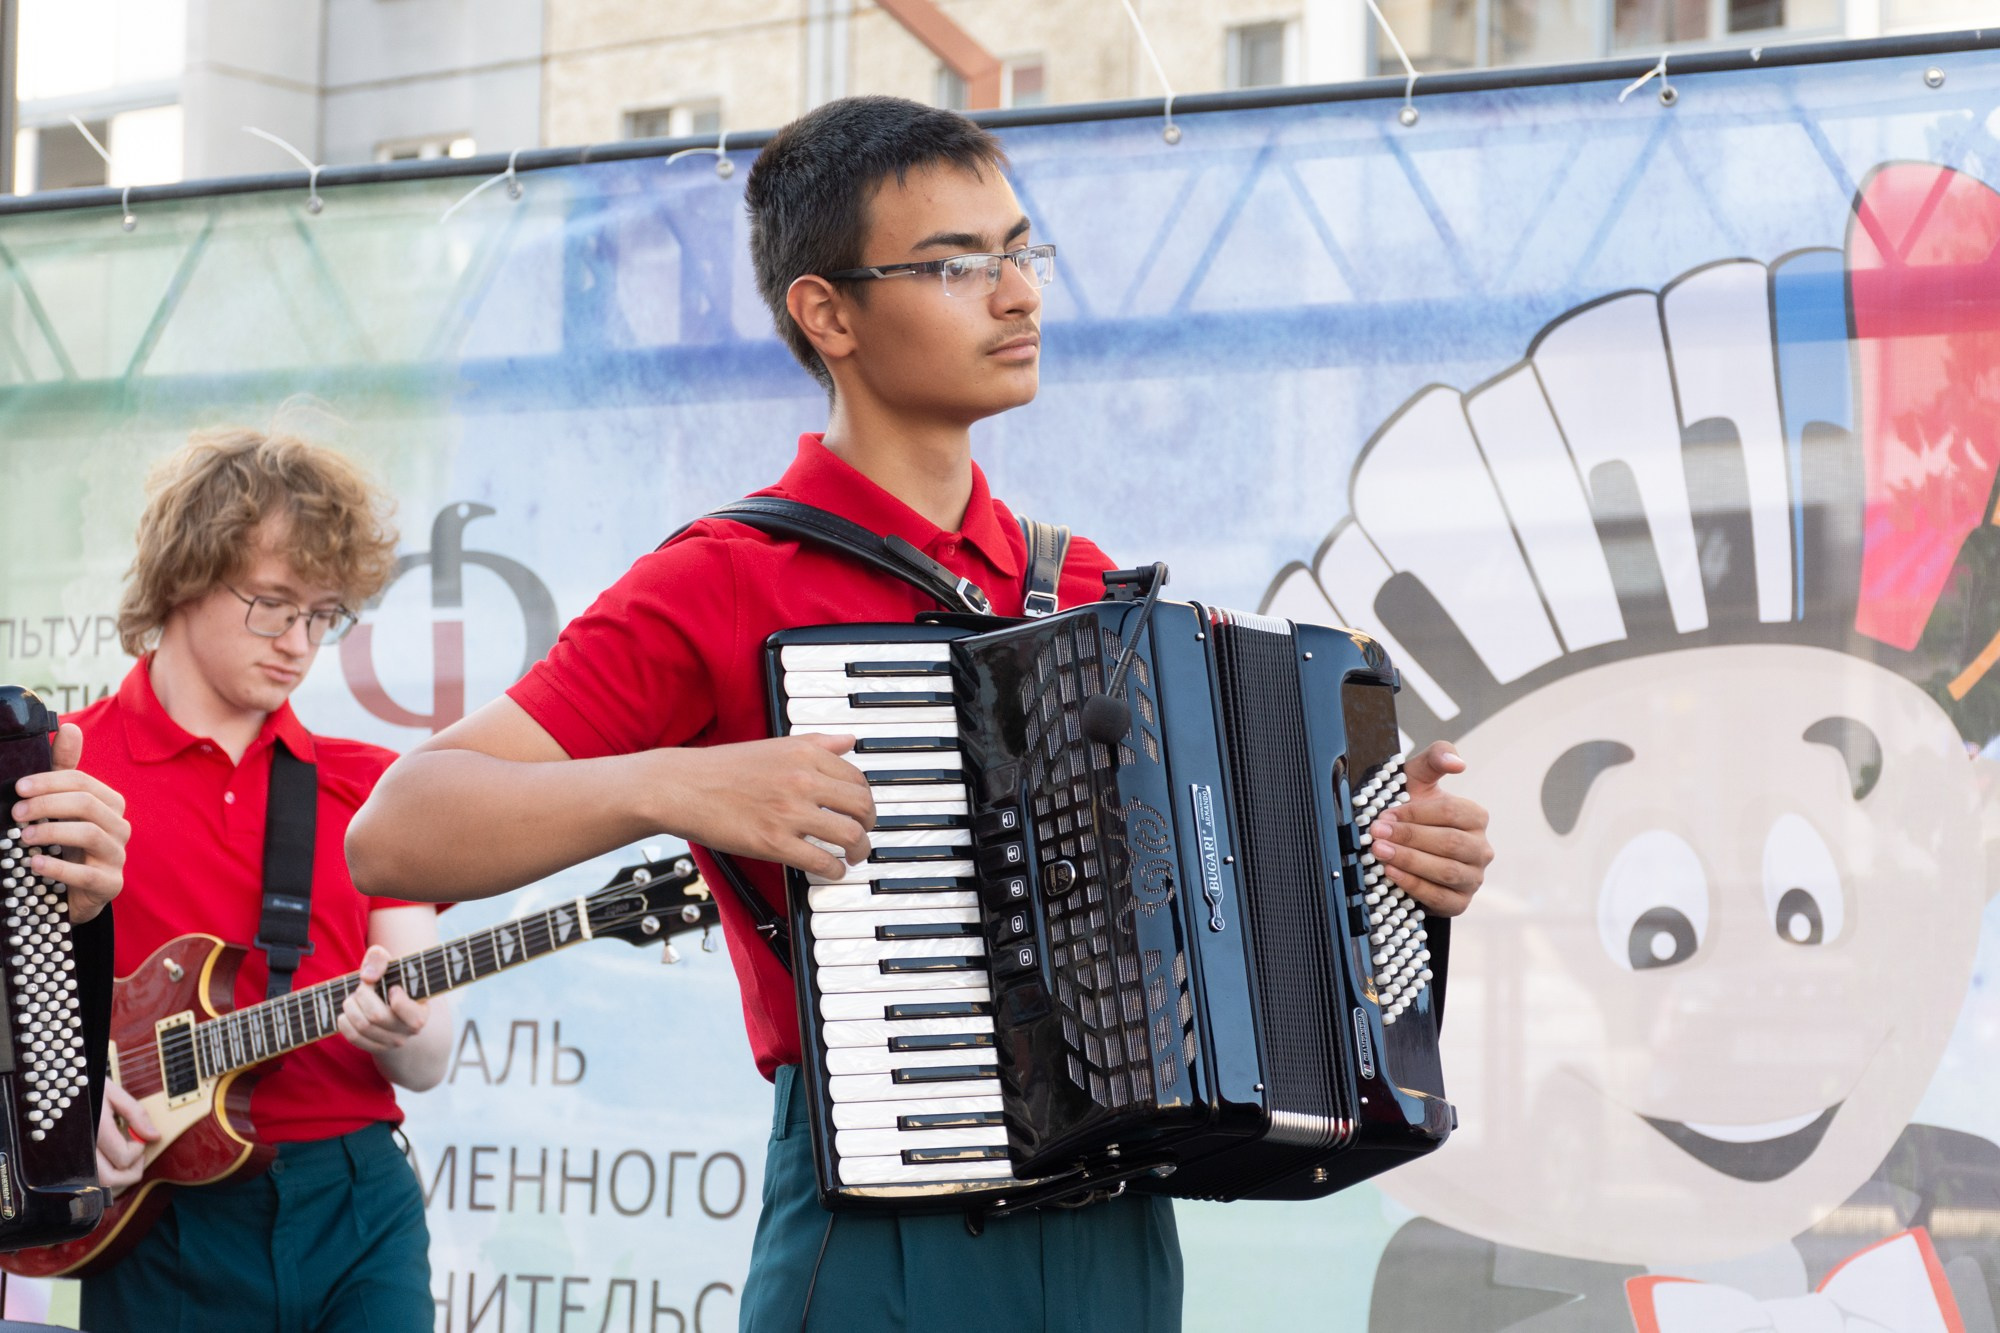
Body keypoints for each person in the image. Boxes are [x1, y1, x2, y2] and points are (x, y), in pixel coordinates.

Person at [346, 95, 1494, 1331]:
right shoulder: (724, 576)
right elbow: (395, 832)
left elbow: (1224, 923)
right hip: (881, 1238)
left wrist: (1386, 869)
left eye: (1019, 251)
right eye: (955, 265)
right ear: (826, 313)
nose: (1015, 294)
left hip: (1118, 1233)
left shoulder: (1087, 591)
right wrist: (671, 784)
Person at [72, 430, 450, 1332]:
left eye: (324, 615)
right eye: (273, 605)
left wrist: (401, 1025)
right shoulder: (64, 768)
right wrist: (60, 1117)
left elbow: (428, 1058)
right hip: (156, 1215)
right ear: (184, 574)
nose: (300, 643)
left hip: (358, 1199)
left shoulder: (373, 785)